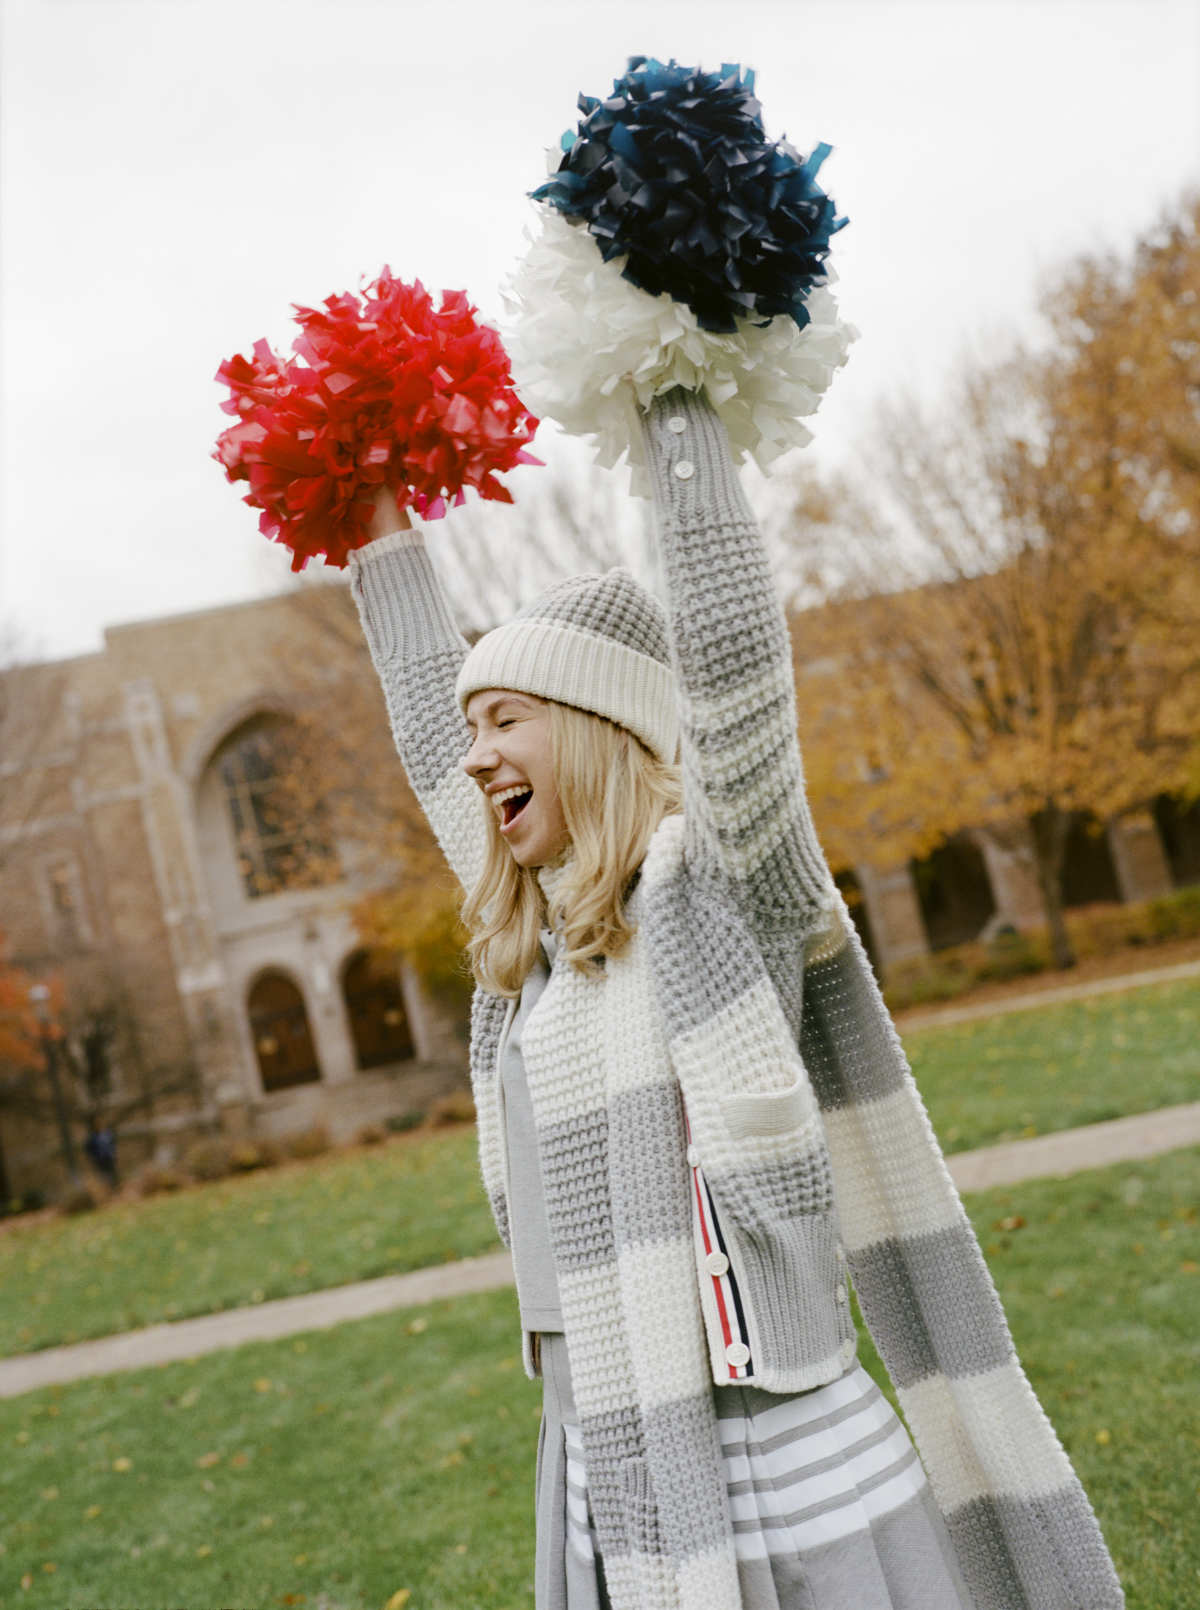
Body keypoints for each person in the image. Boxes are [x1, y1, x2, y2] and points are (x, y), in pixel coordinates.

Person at [349, 389, 1123, 1610]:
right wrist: (377, 522)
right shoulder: (541, 935)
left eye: (507, 721)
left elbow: (732, 666)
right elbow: (423, 708)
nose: (476, 754)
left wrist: (676, 396)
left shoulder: (717, 897)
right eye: (472, 728)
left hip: (772, 1459)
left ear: (603, 730)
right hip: (606, 1437)